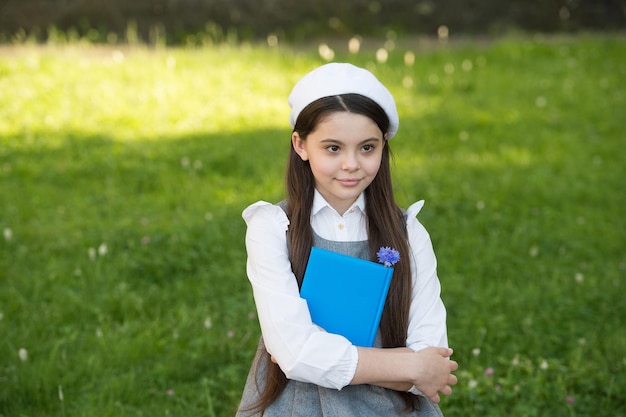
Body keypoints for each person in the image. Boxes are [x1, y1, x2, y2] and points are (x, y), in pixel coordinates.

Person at [236, 63, 458, 416]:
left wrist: (320, 357)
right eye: (333, 148)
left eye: (367, 148)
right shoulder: (272, 227)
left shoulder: (408, 232)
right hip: (296, 406)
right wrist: (406, 365)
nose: (352, 164)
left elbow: (432, 361)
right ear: (301, 145)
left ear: (384, 145)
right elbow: (295, 355)